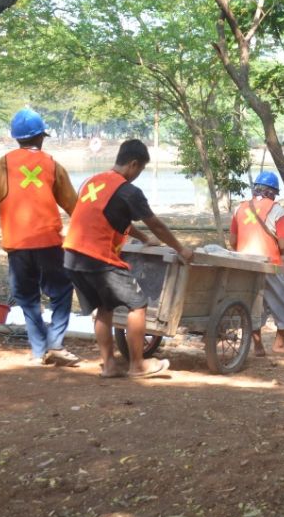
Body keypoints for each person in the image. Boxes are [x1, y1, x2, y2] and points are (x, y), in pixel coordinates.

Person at [63, 139, 194, 379]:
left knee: (104, 308)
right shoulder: (128, 191)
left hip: (71, 255)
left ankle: (109, 366)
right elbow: (156, 223)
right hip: (96, 258)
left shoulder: (92, 182)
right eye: (140, 169)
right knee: (138, 304)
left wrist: (143, 238)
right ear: (133, 164)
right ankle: (138, 365)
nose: (138, 175)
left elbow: (114, 217)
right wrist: (181, 248)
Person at [0, 109, 81, 368]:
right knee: (62, 291)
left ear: (17, 138)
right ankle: (55, 343)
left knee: (28, 298)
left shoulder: (1, 165)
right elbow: (74, 206)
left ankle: (38, 350)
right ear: (41, 137)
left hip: (17, 246)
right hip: (49, 243)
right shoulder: (52, 164)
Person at [229, 170, 284, 357]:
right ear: (272, 192)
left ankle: (258, 347)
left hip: (245, 266)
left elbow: (233, 241)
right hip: (270, 266)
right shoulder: (277, 211)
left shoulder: (239, 209)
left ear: (256, 189)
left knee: (254, 305)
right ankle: (279, 344)